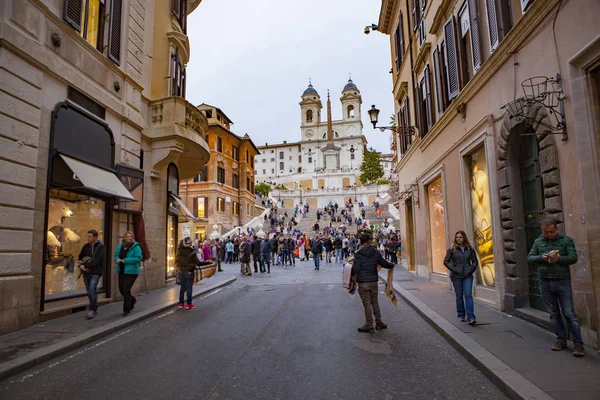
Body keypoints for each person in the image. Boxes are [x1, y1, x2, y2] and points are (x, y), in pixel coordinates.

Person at [527, 217, 584, 357]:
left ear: (556, 229)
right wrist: (542, 258)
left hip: (562, 281)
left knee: (569, 313)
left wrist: (560, 259)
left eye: (551, 231)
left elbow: (573, 257)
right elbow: (530, 258)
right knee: (553, 314)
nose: (549, 234)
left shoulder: (566, 240)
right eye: (546, 232)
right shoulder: (538, 241)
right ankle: (561, 340)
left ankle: (578, 344)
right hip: (545, 281)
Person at [352, 232, 395, 332]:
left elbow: (356, 269)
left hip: (363, 282)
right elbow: (384, 263)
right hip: (373, 281)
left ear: (361, 242)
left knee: (367, 304)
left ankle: (369, 325)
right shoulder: (375, 252)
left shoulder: (358, 254)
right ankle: (379, 322)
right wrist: (391, 265)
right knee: (374, 302)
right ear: (369, 241)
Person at [444, 231, 478, 325]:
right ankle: (461, 314)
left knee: (468, 295)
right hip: (456, 276)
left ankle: (471, 317)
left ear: (464, 238)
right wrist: (455, 269)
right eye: (457, 237)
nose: (458, 239)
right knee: (459, 296)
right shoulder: (452, 249)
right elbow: (446, 261)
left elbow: (475, 261)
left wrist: (470, 270)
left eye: (460, 237)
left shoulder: (470, 249)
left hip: (468, 275)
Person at [77, 230, 105, 319]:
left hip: (96, 271)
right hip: (86, 272)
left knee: (92, 288)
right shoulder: (85, 247)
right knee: (89, 290)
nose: (88, 238)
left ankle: (93, 309)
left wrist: (85, 266)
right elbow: (80, 257)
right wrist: (80, 264)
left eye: (90, 237)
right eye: (88, 236)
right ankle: (94, 305)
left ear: (95, 237)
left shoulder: (100, 247)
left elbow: (97, 260)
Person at [114, 231, 142, 317]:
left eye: (131, 236)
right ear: (124, 238)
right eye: (127, 236)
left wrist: (125, 260)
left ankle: (126, 309)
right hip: (122, 270)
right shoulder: (120, 246)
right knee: (121, 289)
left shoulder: (136, 247)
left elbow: (138, 258)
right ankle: (132, 300)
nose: (129, 238)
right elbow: (116, 255)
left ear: (132, 238)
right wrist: (117, 259)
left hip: (132, 272)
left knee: (126, 289)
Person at [175, 237, 201, 309]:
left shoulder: (179, 251)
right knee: (189, 287)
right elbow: (197, 262)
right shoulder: (192, 251)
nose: (191, 244)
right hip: (189, 271)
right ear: (189, 243)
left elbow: (176, 260)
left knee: (182, 287)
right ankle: (189, 304)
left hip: (182, 271)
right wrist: (207, 263)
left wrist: (177, 267)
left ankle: (181, 303)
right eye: (190, 243)